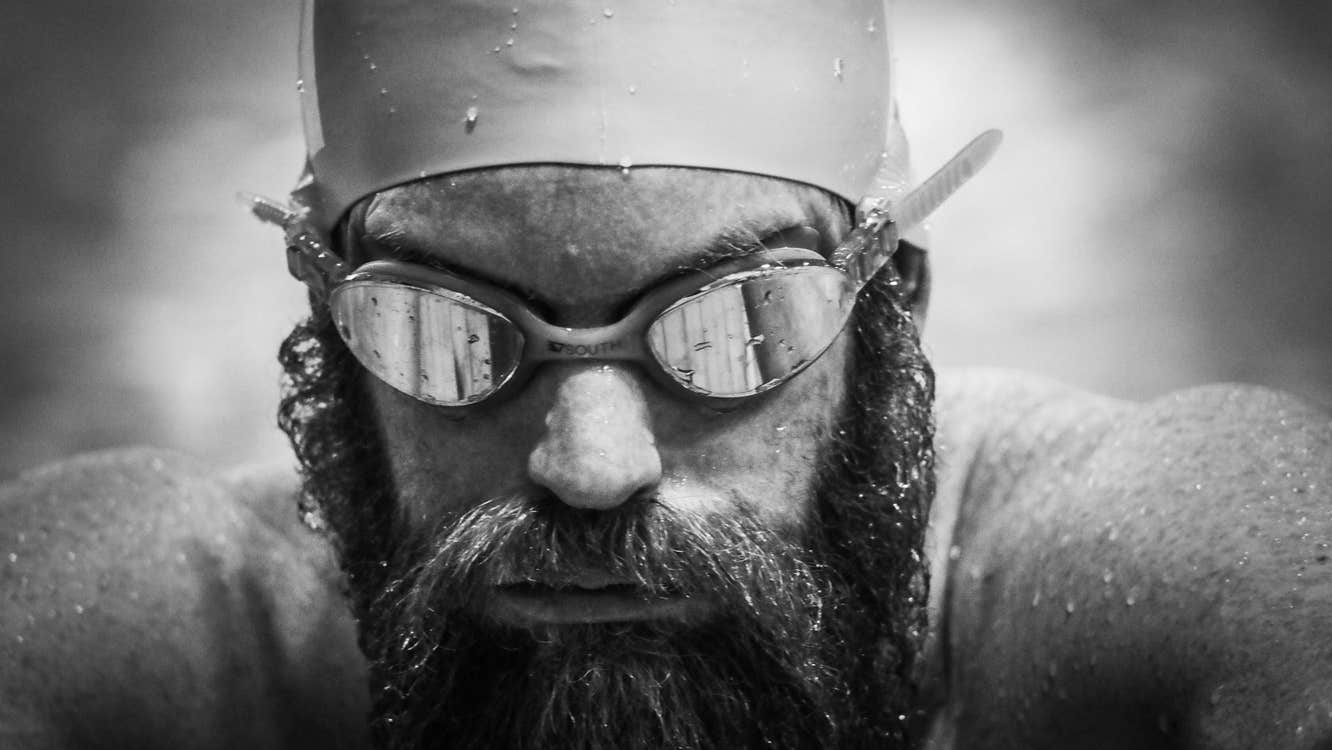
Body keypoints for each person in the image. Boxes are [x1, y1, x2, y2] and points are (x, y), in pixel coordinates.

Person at [2, 1, 1328, 748]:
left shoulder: (1162, 584)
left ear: (893, 304)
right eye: (446, 330)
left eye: (733, 325)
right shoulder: (165, 653)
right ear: (329, 330)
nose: (591, 464)